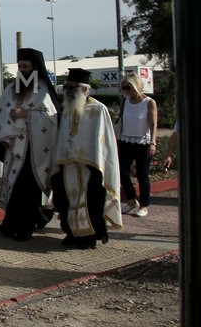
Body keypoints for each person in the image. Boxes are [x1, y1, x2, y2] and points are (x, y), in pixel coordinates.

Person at [0, 48, 60, 241]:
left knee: (27, 188)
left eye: (25, 66)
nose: (22, 69)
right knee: (14, 186)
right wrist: (3, 139)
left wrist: (27, 115)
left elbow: (51, 118)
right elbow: (1, 113)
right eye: (19, 66)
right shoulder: (12, 88)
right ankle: (13, 224)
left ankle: (24, 227)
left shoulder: (43, 89)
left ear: (35, 68)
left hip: (33, 150)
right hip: (13, 147)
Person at [50, 68, 123, 249]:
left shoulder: (98, 110)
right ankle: (71, 233)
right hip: (67, 165)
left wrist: (95, 162)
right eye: (67, 87)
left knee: (91, 201)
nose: (69, 90)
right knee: (65, 200)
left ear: (85, 89)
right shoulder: (67, 109)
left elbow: (104, 141)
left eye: (73, 87)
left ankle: (88, 237)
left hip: (89, 165)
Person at [116, 73, 158, 217]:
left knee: (142, 174)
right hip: (125, 141)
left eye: (129, 87)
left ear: (137, 85)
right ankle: (131, 200)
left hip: (143, 142)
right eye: (124, 87)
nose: (127, 90)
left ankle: (144, 205)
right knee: (123, 172)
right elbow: (120, 119)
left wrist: (153, 142)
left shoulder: (149, 102)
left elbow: (153, 123)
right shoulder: (125, 101)